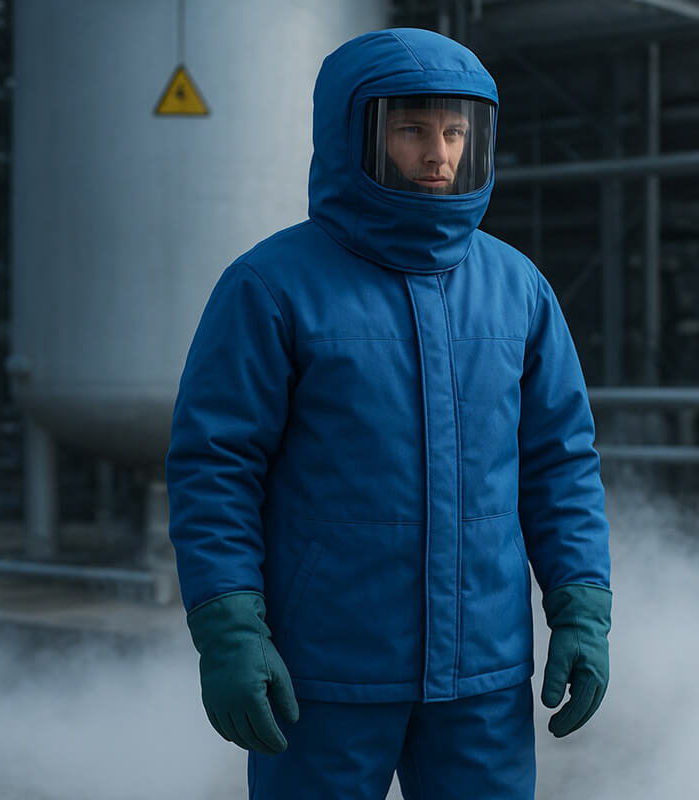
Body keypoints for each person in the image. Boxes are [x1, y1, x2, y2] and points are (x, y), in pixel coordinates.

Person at [166, 27, 611, 800]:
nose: (438, 153)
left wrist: (582, 609)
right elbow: (216, 467)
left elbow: (559, 464)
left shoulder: (518, 290)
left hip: (483, 676)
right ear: (354, 133)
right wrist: (231, 633)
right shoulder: (271, 287)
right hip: (326, 674)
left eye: (454, 131)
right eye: (410, 130)